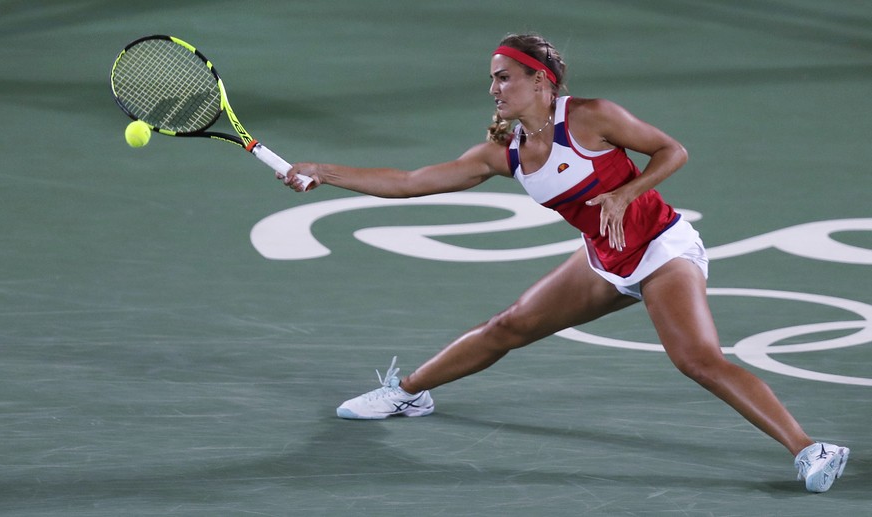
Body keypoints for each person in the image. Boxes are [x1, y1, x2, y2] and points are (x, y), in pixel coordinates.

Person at [278, 33, 849, 492]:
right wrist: (326, 172)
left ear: (540, 80)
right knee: (508, 327)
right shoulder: (504, 156)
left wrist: (627, 192)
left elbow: (672, 150)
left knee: (697, 360)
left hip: (660, 247)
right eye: (492, 78)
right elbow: (409, 183)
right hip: (603, 259)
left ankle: (809, 449)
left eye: (504, 76)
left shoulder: (592, 118)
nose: (494, 87)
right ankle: (409, 392)